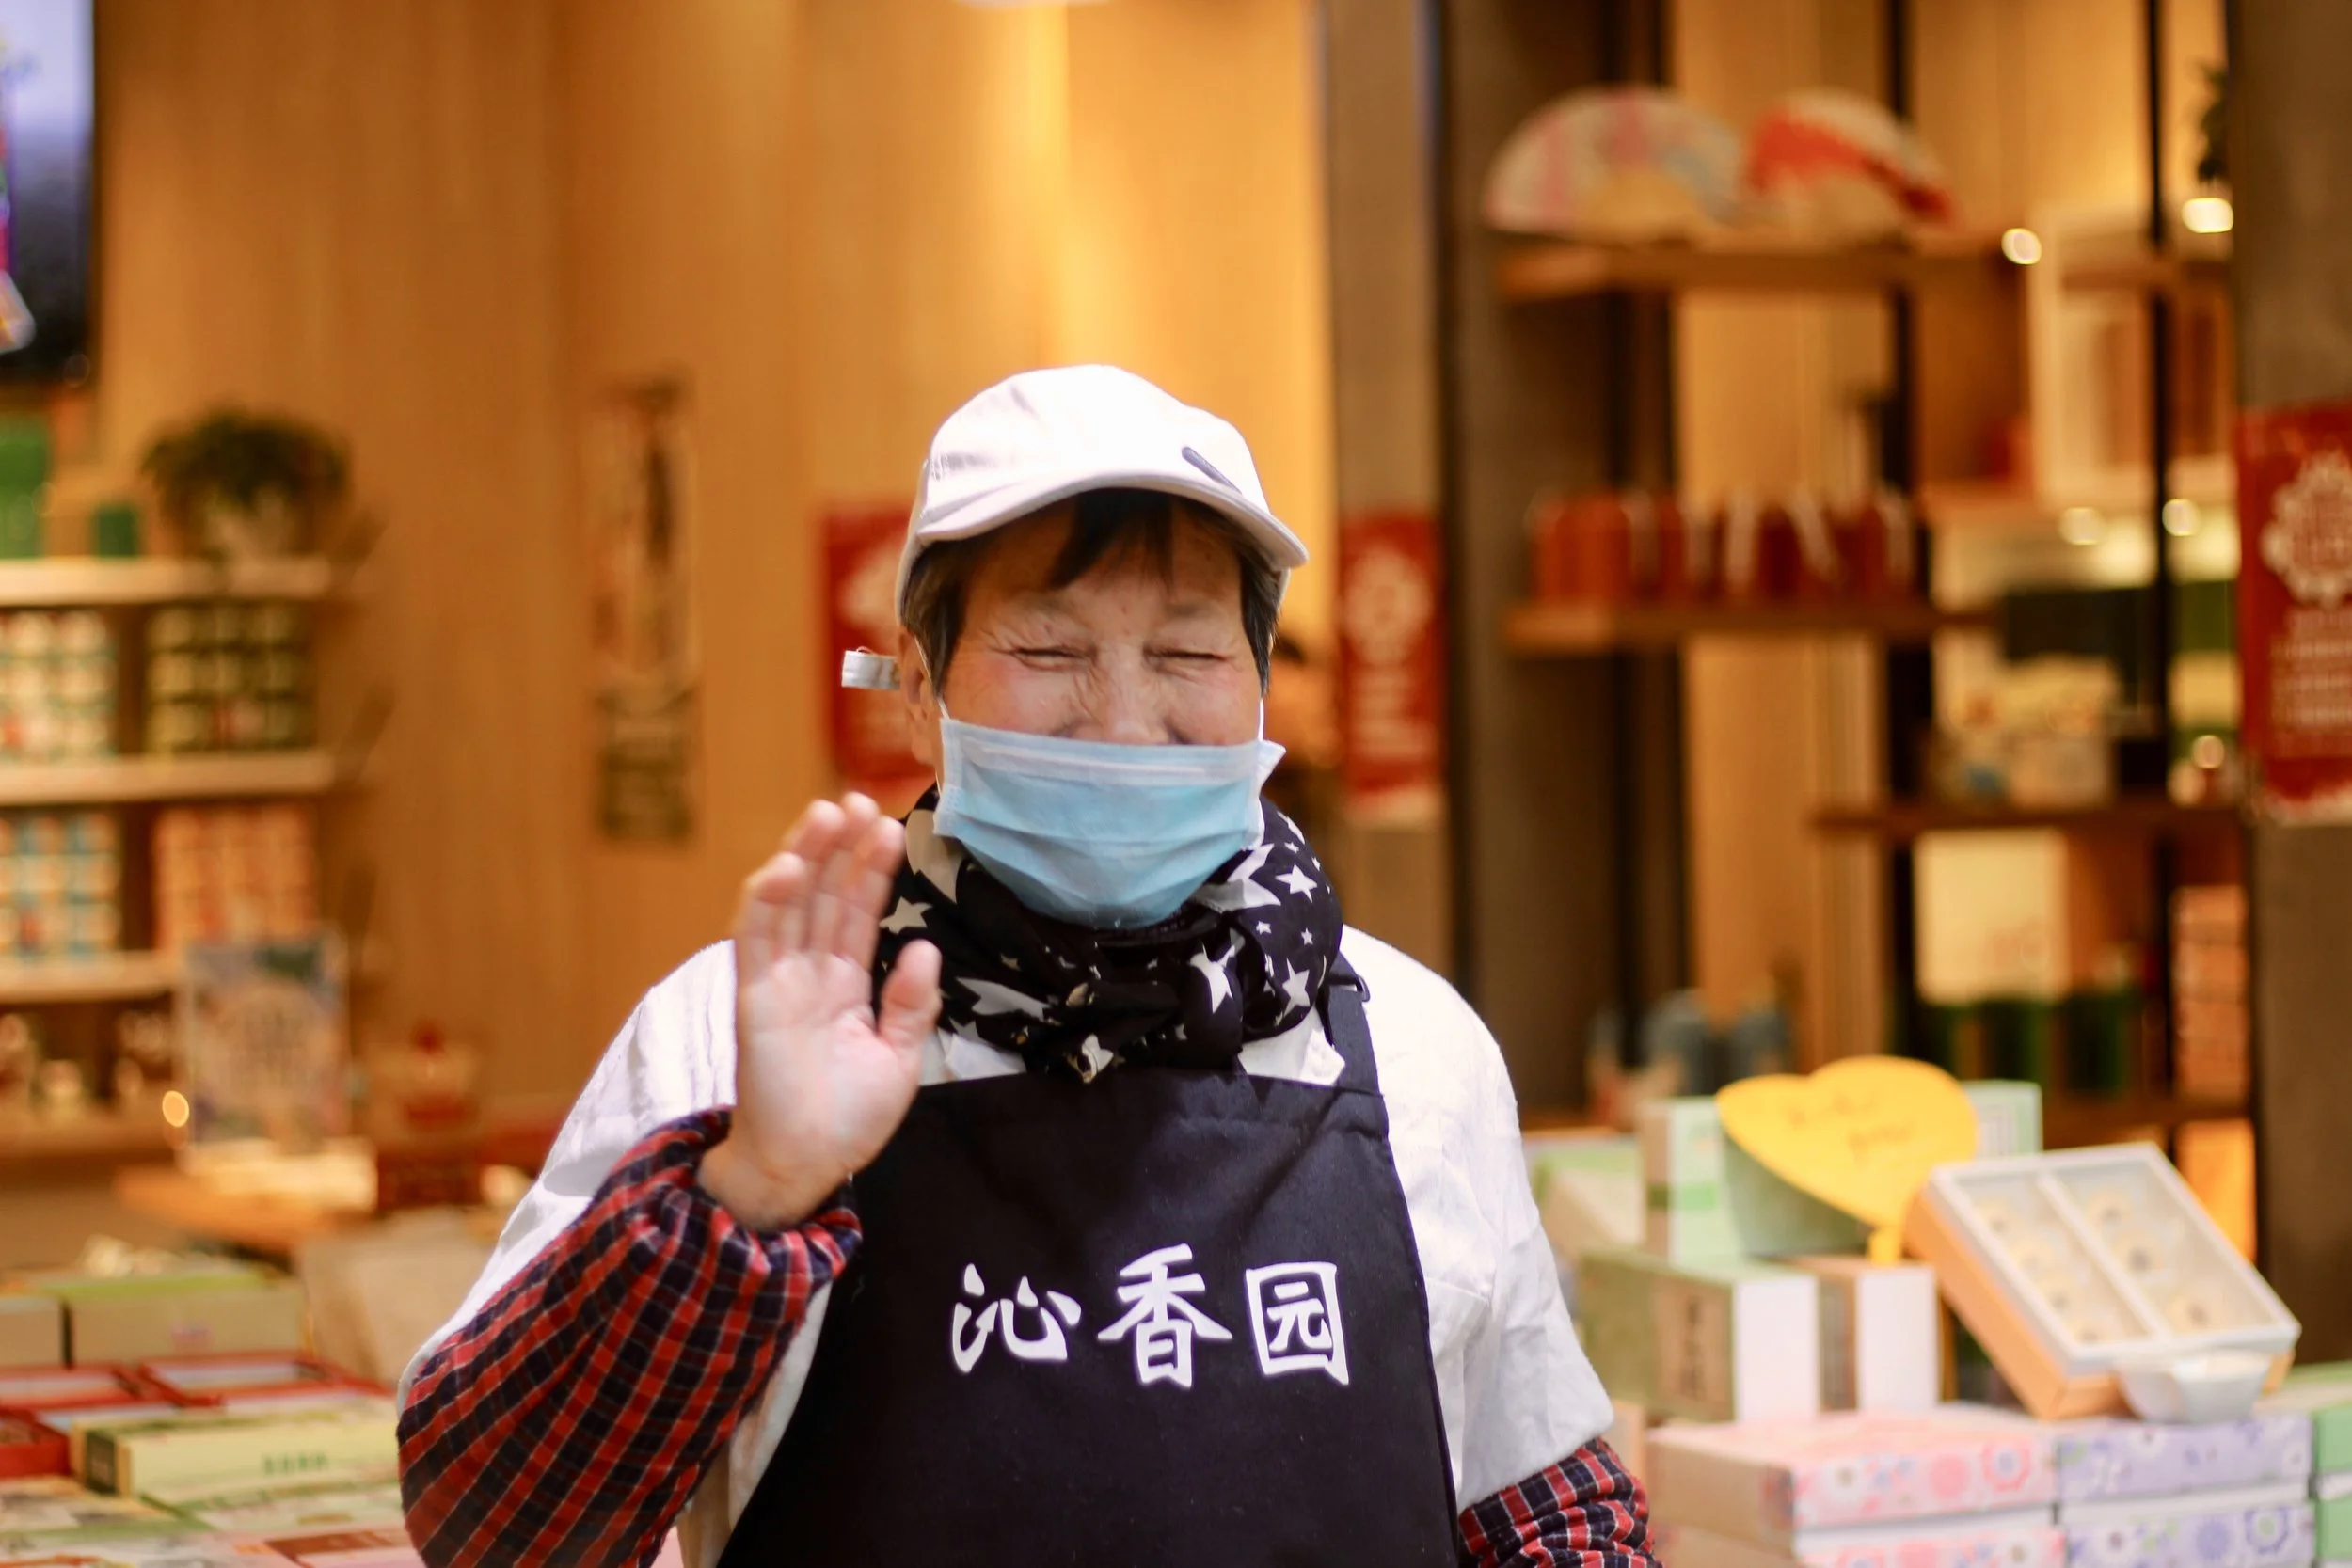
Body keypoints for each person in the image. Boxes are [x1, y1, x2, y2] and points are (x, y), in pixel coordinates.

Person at [397, 366, 1656, 1568]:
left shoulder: (1413, 1042)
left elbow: (1540, 1504)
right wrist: (749, 1191)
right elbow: (497, 1529)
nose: (1125, 720)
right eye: (1050, 652)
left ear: (1263, 686)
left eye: (1188, 655)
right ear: (919, 686)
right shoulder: (734, 1037)